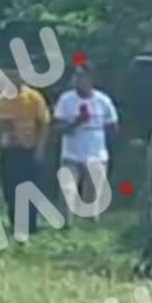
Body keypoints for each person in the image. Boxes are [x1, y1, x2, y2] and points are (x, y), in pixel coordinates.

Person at [53, 63, 120, 225]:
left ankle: (91, 224)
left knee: (94, 191)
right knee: (67, 188)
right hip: (72, 154)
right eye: (76, 77)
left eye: (82, 77)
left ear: (90, 79)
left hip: (96, 153)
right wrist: (77, 121)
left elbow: (113, 126)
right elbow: (58, 127)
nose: (78, 80)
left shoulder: (103, 100)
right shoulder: (66, 99)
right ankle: (65, 223)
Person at [0, 71, 51, 236]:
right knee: (10, 188)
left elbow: (43, 124)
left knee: (31, 187)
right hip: (9, 150)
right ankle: (15, 223)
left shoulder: (34, 98)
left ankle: (31, 224)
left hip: (29, 149)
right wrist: (2, 126)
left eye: (16, 78)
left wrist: (40, 148)